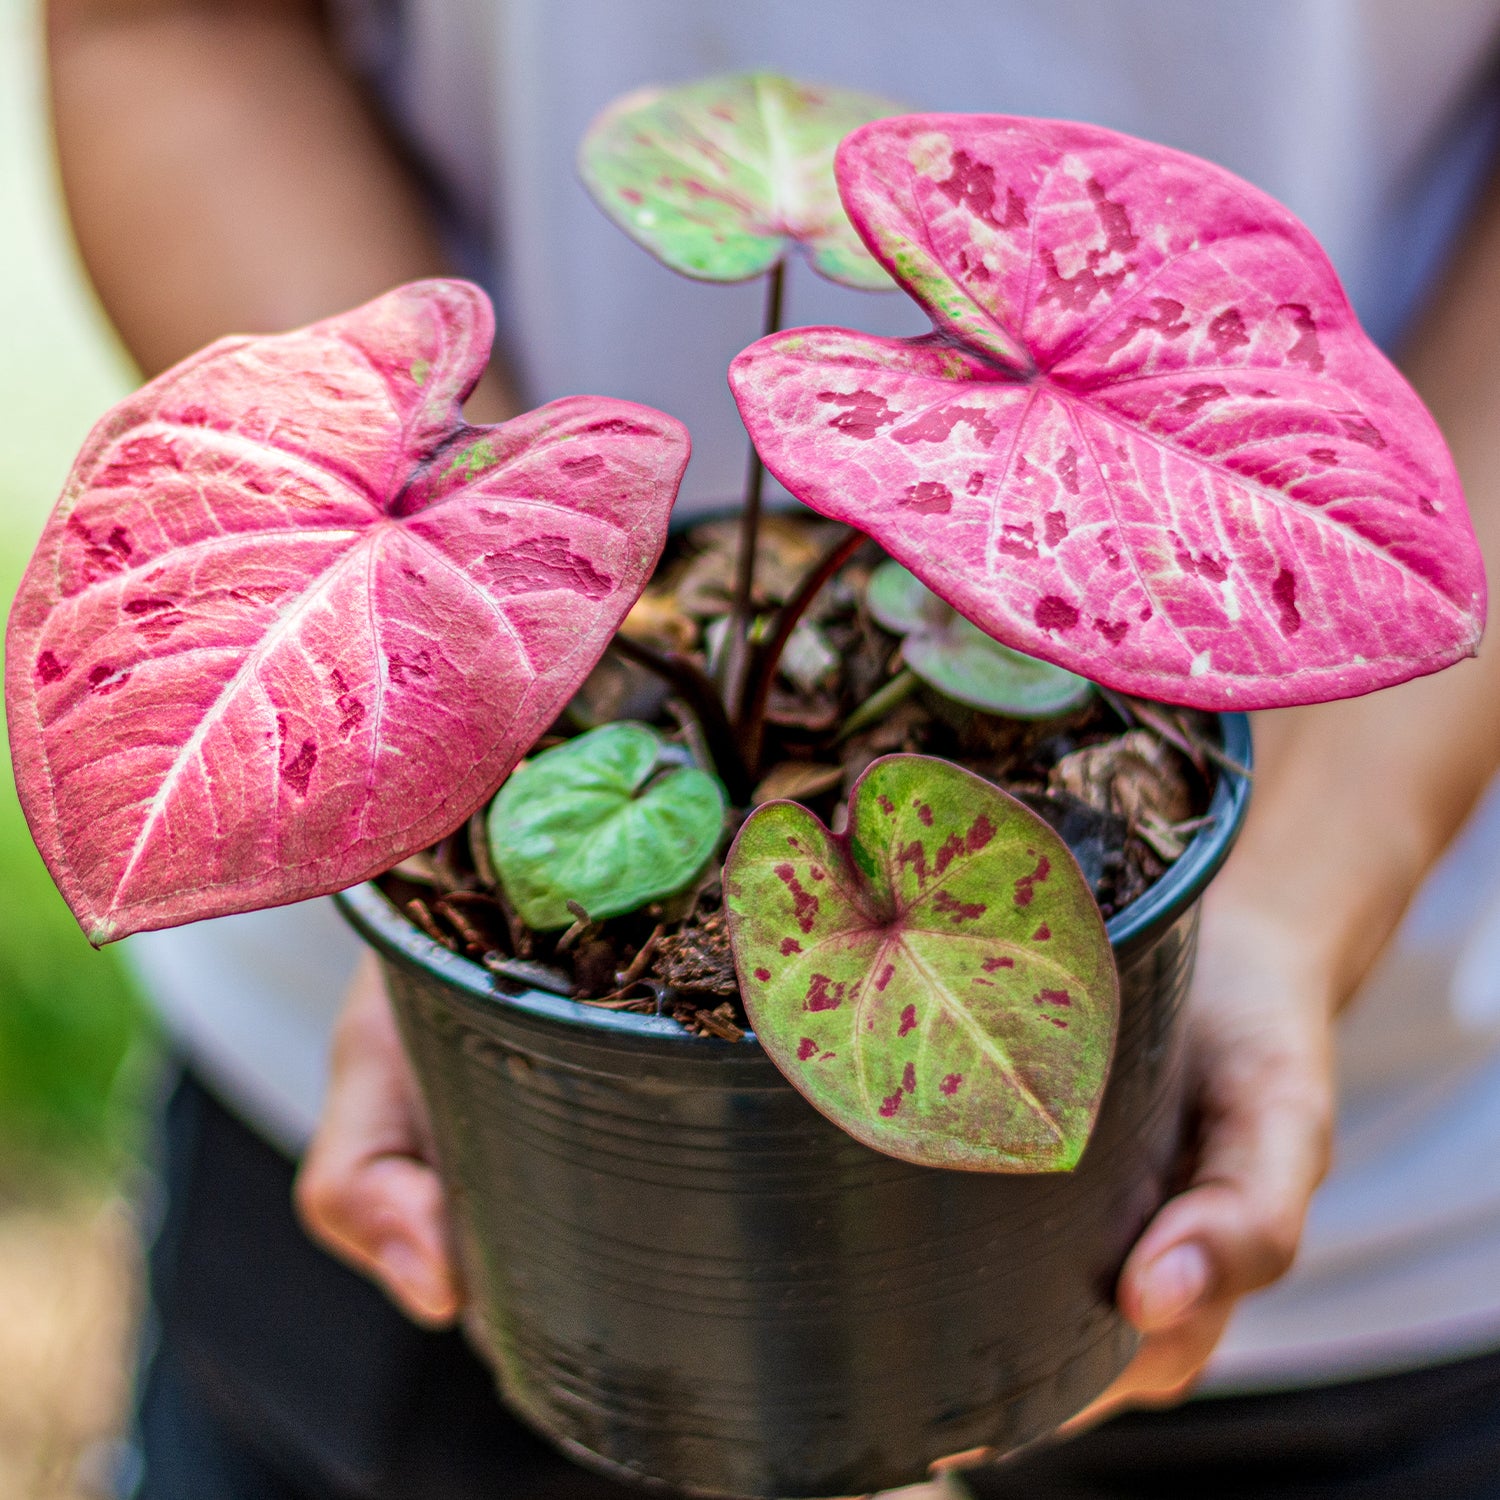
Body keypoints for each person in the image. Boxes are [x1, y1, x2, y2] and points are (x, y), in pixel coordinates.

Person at [44, 0, 1500, 1494]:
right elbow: (157, 25)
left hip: (1405, 1183)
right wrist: (454, 709)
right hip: (434, 1152)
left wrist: (1303, 895)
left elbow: (1377, 556)